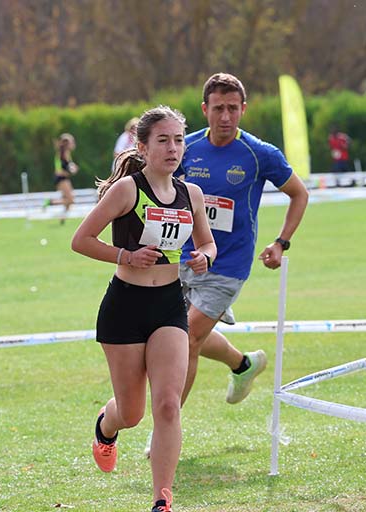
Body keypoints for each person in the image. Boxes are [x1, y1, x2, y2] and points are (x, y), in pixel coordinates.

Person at [136, 73, 311, 460]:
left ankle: (165, 432)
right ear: (205, 110)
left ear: (243, 110)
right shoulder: (188, 147)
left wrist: (281, 242)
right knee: (177, 332)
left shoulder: (259, 154)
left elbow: (299, 194)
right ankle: (242, 364)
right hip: (180, 257)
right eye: (219, 108)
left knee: (185, 340)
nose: (226, 116)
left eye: (234, 108)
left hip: (229, 265)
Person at [71, 105, 216, 512]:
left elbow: (206, 243)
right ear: (143, 146)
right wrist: (126, 256)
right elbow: (81, 239)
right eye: (163, 140)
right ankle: (106, 426)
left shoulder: (192, 194)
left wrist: (205, 257)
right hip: (124, 307)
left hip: (169, 305)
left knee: (168, 403)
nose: (173, 149)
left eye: (179, 140)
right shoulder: (127, 191)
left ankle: (162, 500)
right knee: (132, 413)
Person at [43, 133, 78, 224]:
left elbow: (68, 167)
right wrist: (72, 170)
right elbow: (59, 171)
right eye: (72, 142)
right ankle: (49, 202)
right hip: (61, 179)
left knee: (69, 200)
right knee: (70, 200)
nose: (74, 144)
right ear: (67, 144)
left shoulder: (66, 154)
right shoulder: (62, 154)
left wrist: (72, 169)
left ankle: (62, 219)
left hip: (64, 179)